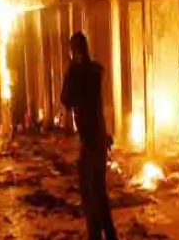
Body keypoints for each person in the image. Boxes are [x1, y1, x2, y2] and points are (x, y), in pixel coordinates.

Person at [61, 32, 118, 240]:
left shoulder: (76, 73)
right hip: (100, 137)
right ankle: (110, 236)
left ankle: (96, 236)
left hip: (89, 140)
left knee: (89, 193)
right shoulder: (95, 71)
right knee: (100, 192)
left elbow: (65, 100)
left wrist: (70, 71)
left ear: (73, 50)